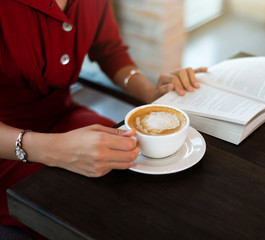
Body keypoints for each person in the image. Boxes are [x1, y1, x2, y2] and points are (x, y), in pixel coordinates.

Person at [0, 0, 207, 238]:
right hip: (8, 147)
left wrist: (152, 94)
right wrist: (52, 149)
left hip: (64, 117)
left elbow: (110, 50)